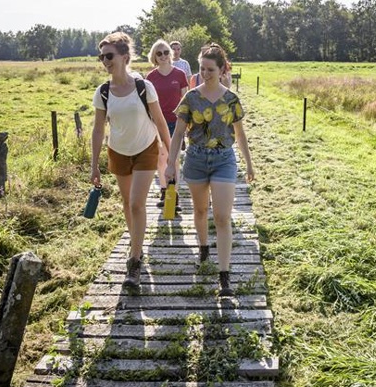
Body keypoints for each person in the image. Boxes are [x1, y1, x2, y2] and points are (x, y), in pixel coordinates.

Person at [165, 43, 254, 297]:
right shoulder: (191, 97)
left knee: (223, 217)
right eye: (202, 69)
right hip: (195, 159)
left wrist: (248, 162)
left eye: (210, 69)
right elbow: (179, 132)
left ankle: (224, 275)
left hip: (224, 159)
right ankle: (203, 246)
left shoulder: (231, 99)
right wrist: (170, 164)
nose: (205, 74)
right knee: (201, 210)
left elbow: (240, 134)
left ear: (222, 69)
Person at [91, 32, 172, 290]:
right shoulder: (103, 92)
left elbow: (160, 121)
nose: (105, 60)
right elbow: (97, 129)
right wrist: (94, 165)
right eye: (102, 56)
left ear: (125, 57)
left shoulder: (143, 87)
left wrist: (170, 155)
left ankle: (134, 261)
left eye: (110, 55)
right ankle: (137, 244)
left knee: (137, 203)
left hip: (146, 148)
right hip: (118, 151)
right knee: (127, 203)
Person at [145, 39, 188, 207]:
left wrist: (187, 122)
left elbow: (186, 99)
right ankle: (164, 191)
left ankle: (174, 194)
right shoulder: (151, 77)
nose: (163, 56)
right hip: (157, 123)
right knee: (161, 158)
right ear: (154, 57)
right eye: (159, 53)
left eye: (166, 52)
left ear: (170, 54)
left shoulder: (179, 74)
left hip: (176, 123)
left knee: (174, 158)